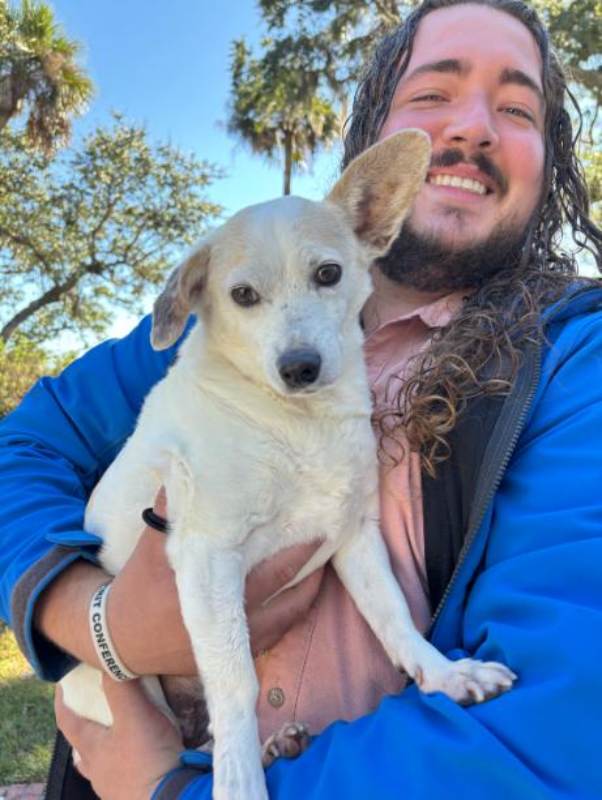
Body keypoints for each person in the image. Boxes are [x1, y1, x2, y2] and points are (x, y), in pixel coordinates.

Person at [2, 0, 602, 797]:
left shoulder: (571, 363)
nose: (473, 127)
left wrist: (166, 788)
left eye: (518, 106)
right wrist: (98, 622)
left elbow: (561, 721)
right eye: (432, 95)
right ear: (375, 151)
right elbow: (22, 448)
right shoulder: (212, 336)